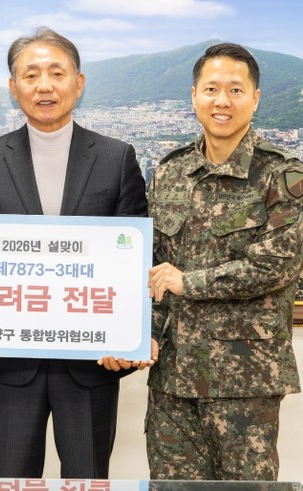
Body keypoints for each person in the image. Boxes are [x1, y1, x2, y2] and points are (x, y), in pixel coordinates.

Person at [0, 27, 148, 478]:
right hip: (10, 364)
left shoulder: (116, 157)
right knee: (12, 479)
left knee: (87, 480)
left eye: (57, 73)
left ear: (78, 83)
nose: (44, 86)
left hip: (92, 364)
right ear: (13, 88)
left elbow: (137, 259)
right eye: (31, 75)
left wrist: (129, 335)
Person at [146, 42, 303, 480]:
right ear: (194, 95)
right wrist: (145, 334)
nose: (222, 101)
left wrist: (188, 282)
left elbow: (276, 265)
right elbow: (153, 267)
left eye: (236, 90)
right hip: (173, 378)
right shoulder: (169, 172)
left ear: (255, 97)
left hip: (245, 381)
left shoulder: (283, 174)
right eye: (211, 88)